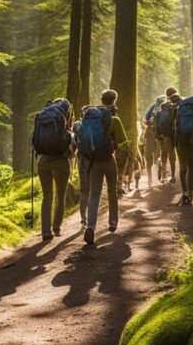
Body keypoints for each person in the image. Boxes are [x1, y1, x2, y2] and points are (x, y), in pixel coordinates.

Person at [75, 89, 130, 245]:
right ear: (115, 100)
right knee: (112, 190)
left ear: (101, 99)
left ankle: (90, 227)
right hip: (108, 161)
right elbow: (122, 143)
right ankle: (112, 222)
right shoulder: (113, 119)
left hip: (93, 163)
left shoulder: (89, 118)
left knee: (94, 194)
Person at [31, 99, 74, 242]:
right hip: (60, 161)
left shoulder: (43, 117)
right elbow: (71, 146)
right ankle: (56, 226)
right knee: (60, 195)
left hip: (42, 160)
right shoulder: (63, 121)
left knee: (47, 196)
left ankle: (45, 232)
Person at [154, 89, 179, 184]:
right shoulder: (176, 106)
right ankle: (172, 176)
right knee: (172, 155)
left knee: (163, 153)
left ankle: (163, 176)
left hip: (161, 135)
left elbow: (154, 118)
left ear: (166, 95)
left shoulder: (161, 105)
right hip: (171, 135)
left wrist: (157, 133)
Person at [142, 96, 165, 186]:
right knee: (160, 153)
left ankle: (150, 178)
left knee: (149, 155)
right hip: (161, 134)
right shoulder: (167, 107)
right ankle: (162, 173)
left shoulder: (153, 107)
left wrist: (149, 124)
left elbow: (145, 120)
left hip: (150, 133)